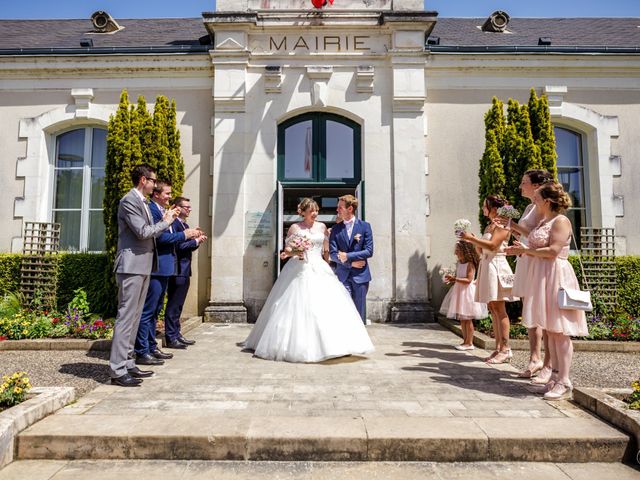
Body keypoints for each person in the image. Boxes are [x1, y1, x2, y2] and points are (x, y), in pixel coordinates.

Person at [242, 198, 374, 362]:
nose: (315, 214)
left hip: (319, 267)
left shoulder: (322, 227)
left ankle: (335, 344)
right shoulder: (295, 228)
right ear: (302, 212)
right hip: (298, 268)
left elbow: (327, 250)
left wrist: (332, 264)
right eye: (312, 211)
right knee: (295, 305)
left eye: (316, 210)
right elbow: (288, 249)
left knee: (326, 306)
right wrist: (290, 253)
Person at [506, 182, 588, 401]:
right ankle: (553, 377)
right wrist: (520, 249)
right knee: (550, 329)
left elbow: (553, 251)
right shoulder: (544, 221)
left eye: (538, 198)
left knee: (560, 331)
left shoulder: (561, 221)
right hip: (542, 276)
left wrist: (527, 250)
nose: (534, 201)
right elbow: (535, 246)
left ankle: (565, 380)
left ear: (548, 201)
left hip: (556, 276)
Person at [109, 164, 179, 387]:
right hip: (131, 265)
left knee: (135, 316)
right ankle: (117, 370)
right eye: (152, 180)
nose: (154, 184)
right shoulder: (129, 201)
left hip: (144, 265)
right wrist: (166, 221)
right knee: (125, 317)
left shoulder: (144, 203)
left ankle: (128, 363)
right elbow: (142, 233)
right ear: (143, 180)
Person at [134, 181, 199, 365]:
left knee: (155, 311)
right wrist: (185, 235)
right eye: (167, 194)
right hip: (157, 267)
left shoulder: (163, 212)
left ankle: (151, 347)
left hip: (165, 268)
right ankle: (143, 350)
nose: (170, 197)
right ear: (156, 194)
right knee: (149, 311)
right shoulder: (154, 210)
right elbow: (160, 238)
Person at [507, 169, 555, 381]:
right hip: (525, 259)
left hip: (537, 260)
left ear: (536, 186)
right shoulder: (529, 207)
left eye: (523, 182)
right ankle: (534, 358)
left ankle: (549, 363)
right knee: (530, 310)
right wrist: (510, 228)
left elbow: (539, 237)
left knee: (542, 310)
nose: (520, 186)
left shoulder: (545, 208)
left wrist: (513, 225)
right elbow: (527, 235)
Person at [461, 195, 518, 364]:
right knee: (492, 308)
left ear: (493, 208)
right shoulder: (489, 225)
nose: (482, 209)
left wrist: (472, 238)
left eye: (485, 206)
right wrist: (473, 242)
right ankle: (498, 347)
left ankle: (506, 348)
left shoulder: (503, 224)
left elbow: (493, 245)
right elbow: (482, 249)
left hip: (497, 265)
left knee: (500, 308)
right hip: (486, 264)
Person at [164, 196, 207, 347]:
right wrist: (194, 240)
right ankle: (171, 337)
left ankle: (177, 333)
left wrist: (197, 241)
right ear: (177, 207)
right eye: (186, 207)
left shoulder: (184, 224)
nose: (189, 209)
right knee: (174, 304)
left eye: (189, 207)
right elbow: (178, 246)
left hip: (184, 268)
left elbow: (186, 246)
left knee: (179, 304)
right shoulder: (174, 224)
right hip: (177, 270)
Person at [329, 195, 374, 323]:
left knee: (359, 312)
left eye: (340, 207)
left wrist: (347, 256)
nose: (337, 210)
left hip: (361, 276)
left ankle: (360, 341)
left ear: (350, 209)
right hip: (342, 276)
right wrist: (350, 263)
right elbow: (333, 254)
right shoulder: (336, 229)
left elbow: (369, 251)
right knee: (344, 310)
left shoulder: (365, 227)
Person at [439, 240, 487, 350]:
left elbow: (469, 279)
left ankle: (470, 342)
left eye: (458, 250)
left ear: (465, 251)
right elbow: (460, 278)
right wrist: (451, 280)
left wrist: (455, 279)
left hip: (467, 293)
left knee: (467, 318)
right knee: (462, 318)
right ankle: (465, 341)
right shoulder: (460, 264)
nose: (455, 253)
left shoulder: (470, 264)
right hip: (459, 292)